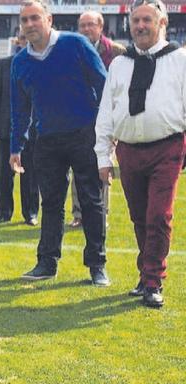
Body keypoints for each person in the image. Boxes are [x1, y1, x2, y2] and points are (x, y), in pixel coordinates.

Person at [10, 0, 109, 286]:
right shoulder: (20, 62)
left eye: (34, 18)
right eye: (24, 20)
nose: (29, 25)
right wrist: (15, 147)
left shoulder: (76, 44)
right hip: (47, 140)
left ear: (49, 19)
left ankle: (97, 264)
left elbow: (103, 85)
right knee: (51, 203)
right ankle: (47, 262)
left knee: (91, 200)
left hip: (83, 135)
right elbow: (19, 109)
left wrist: (104, 132)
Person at [95, 0, 185, 307]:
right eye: (136, 21)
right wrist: (103, 157)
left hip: (167, 148)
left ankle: (152, 280)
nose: (141, 26)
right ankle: (146, 274)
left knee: (159, 215)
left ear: (162, 24)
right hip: (129, 151)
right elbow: (106, 111)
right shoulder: (119, 63)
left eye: (148, 20)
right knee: (139, 217)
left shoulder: (180, 59)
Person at [69, 10, 126, 228]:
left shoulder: (116, 51)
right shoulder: (72, 51)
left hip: (107, 119)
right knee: (78, 167)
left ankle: (102, 213)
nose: (85, 29)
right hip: (79, 119)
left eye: (90, 24)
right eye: (82, 25)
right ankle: (79, 214)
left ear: (101, 27)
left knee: (103, 165)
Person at [0, 30, 39, 225]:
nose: (25, 42)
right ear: (18, 41)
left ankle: (31, 213)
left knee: (31, 174)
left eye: (28, 38)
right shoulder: (4, 64)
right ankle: (3, 213)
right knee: (4, 173)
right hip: (7, 127)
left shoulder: (41, 63)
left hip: (34, 129)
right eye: (22, 38)